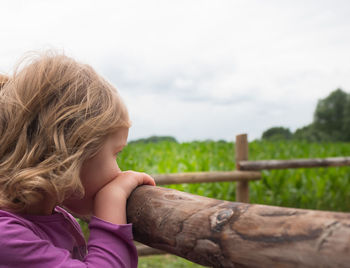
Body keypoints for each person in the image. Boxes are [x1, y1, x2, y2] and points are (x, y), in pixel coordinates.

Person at [0, 52, 156, 267]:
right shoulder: (6, 236)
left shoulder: (58, 218)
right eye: (115, 153)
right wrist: (113, 197)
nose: (119, 171)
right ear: (65, 156)